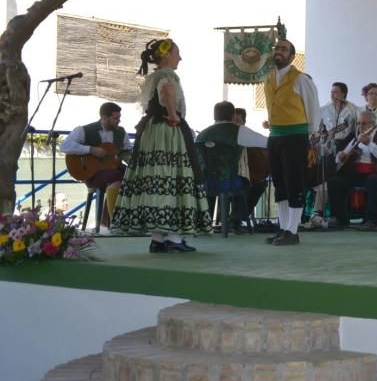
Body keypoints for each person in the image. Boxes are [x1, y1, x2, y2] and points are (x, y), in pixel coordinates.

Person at [113, 38, 212, 252]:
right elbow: (167, 91)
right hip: (167, 131)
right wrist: (174, 114)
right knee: (172, 177)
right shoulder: (167, 75)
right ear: (167, 55)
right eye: (177, 53)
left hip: (152, 131)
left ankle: (157, 238)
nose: (180, 58)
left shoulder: (154, 75)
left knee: (156, 178)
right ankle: (174, 239)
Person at [262, 39, 321, 246]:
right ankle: (284, 227)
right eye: (276, 48)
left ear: (292, 56)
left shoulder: (300, 79)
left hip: (296, 136)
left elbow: (313, 106)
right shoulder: (269, 79)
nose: (279, 51)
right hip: (275, 136)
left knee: (294, 181)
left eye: (283, 49)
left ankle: (293, 230)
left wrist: (313, 134)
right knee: (279, 182)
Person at [195, 101, 268, 234]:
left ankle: (205, 222)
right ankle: (235, 221)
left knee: (212, 178)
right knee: (248, 180)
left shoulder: (201, 135)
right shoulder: (237, 131)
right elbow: (266, 143)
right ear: (233, 115)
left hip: (206, 183)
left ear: (214, 116)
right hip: (230, 182)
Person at [60, 101, 132, 233]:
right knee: (116, 178)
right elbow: (64, 146)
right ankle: (116, 224)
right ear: (104, 117)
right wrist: (90, 149)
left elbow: (127, 151)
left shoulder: (121, 133)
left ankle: (127, 221)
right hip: (91, 173)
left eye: (119, 118)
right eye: (116, 118)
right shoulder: (84, 130)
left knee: (133, 176)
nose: (119, 121)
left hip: (113, 168)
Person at [326, 110, 377, 230]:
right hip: (356, 174)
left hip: (375, 173)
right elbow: (342, 157)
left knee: (373, 181)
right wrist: (340, 156)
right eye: (358, 123)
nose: (360, 126)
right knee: (334, 181)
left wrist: (369, 144)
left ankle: (371, 219)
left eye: (363, 123)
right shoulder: (356, 139)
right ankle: (339, 218)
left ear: (372, 124)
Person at [233, 107, 268, 228]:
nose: (235, 123)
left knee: (260, 184)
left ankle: (239, 216)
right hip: (230, 176)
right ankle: (236, 219)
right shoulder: (229, 132)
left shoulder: (246, 134)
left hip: (242, 173)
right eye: (233, 120)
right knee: (245, 182)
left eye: (237, 120)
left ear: (243, 122)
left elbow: (265, 143)